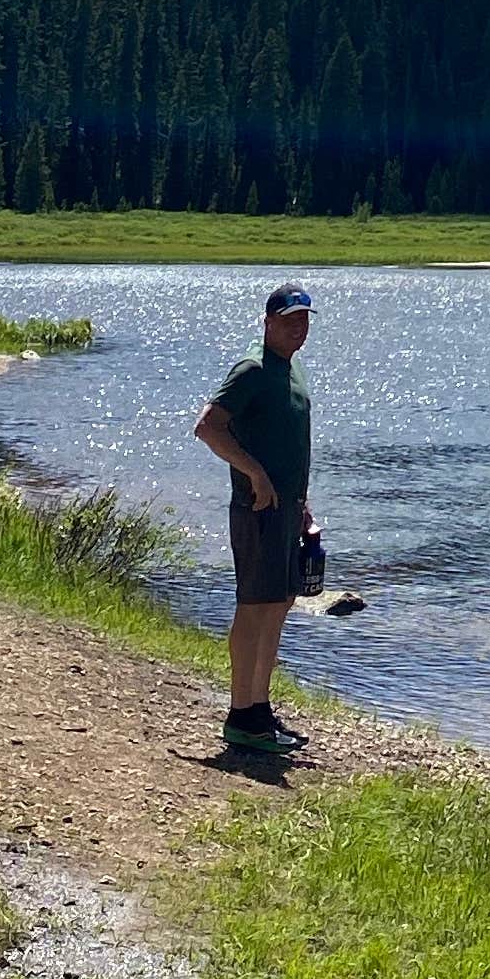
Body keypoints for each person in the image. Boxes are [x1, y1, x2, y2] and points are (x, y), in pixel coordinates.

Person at [196, 280, 317, 756]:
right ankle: (241, 713)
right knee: (254, 605)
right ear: (268, 322)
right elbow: (208, 427)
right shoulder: (251, 368)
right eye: (289, 321)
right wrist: (256, 476)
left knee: (279, 602)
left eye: (304, 320)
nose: (298, 329)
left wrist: (302, 503)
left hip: (287, 509)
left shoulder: (289, 370)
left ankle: (259, 710)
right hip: (258, 508)